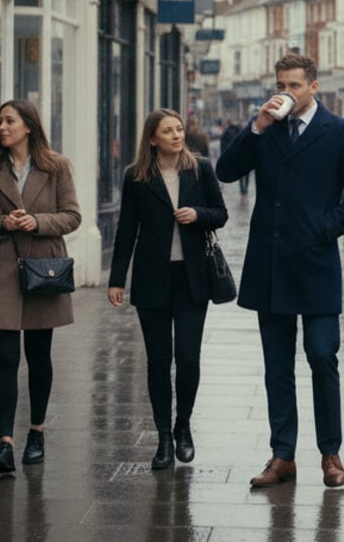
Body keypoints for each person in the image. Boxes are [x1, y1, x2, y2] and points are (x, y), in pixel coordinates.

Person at [215, 52, 344, 489]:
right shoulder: (265, 128)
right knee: (277, 366)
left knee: (322, 356)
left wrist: (324, 228)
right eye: (280, 85)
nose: (285, 93)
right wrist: (256, 127)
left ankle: (330, 454)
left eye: (294, 86)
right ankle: (282, 455)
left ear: (313, 87)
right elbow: (225, 171)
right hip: (270, 263)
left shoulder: (340, 132)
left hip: (316, 262)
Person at [108, 109, 228, 470]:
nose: (177, 136)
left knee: (188, 357)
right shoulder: (136, 177)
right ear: (152, 139)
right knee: (159, 361)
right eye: (168, 131)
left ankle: (183, 426)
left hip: (192, 279)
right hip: (152, 279)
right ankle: (163, 437)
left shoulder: (200, 169)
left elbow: (220, 214)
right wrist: (117, 279)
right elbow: (127, 228)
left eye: (179, 129)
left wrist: (197, 214)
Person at [0, 99, 82, 474]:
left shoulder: (56, 166)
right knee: (4, 357)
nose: (2, 127)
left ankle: (36, 431)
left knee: (38, 354)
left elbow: (72, 216)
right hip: (1, 268)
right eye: (0, 121)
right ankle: (5, 443)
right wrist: (3, 223)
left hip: (42, 269)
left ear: (28, 126)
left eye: (10, 121)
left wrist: (37, 222)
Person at [218, 118, 247, 199]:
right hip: (243, 156)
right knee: (244, 175)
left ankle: (243, 191)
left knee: (242, 175)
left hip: (238, 157)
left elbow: (223, 145)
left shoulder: (227, 132)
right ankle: (244, 191)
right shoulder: (241, 131)